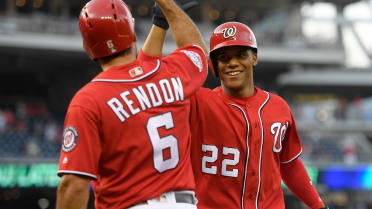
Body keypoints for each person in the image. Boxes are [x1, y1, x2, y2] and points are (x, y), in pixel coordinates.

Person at [55, 0, 208, 209]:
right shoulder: (170, 73)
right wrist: (169, 7)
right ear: (133, 34)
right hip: (184, 203)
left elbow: (74, 186)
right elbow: (196, 50)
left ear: (89, 49)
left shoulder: (88, 100)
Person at [189, 22, 329, 209]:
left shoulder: (279, 107)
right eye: (223, 57)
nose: (232, 63)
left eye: (240, 55)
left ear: (254, 58)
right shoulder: (199, 102)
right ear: (214, 64)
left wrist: (318, 206)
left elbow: (289, 165)